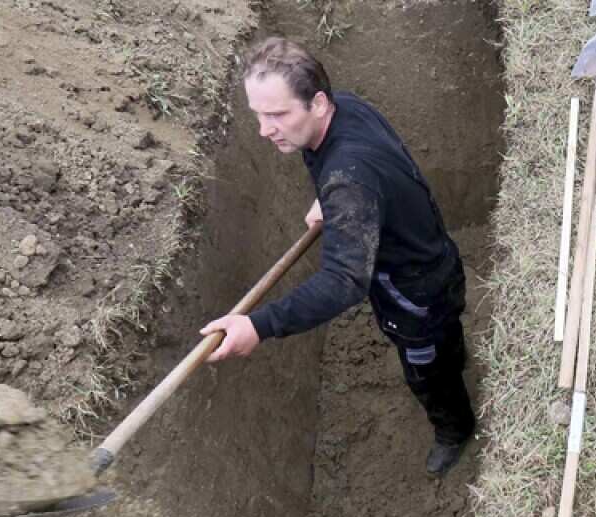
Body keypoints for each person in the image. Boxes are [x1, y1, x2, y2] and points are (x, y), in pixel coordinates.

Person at [200, 37, 476, 476]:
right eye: (257, 114)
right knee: (444, 344)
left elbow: (344, 282)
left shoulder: (350, 180)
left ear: (318, 103)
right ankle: (453, 355)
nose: (264, 129)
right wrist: (332, 200)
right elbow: (368, 172)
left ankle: (454, 428)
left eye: (277, 114)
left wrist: (258, 324)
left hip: (415, 297)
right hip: (435, 258)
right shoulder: (348, 111)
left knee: (426, 371)